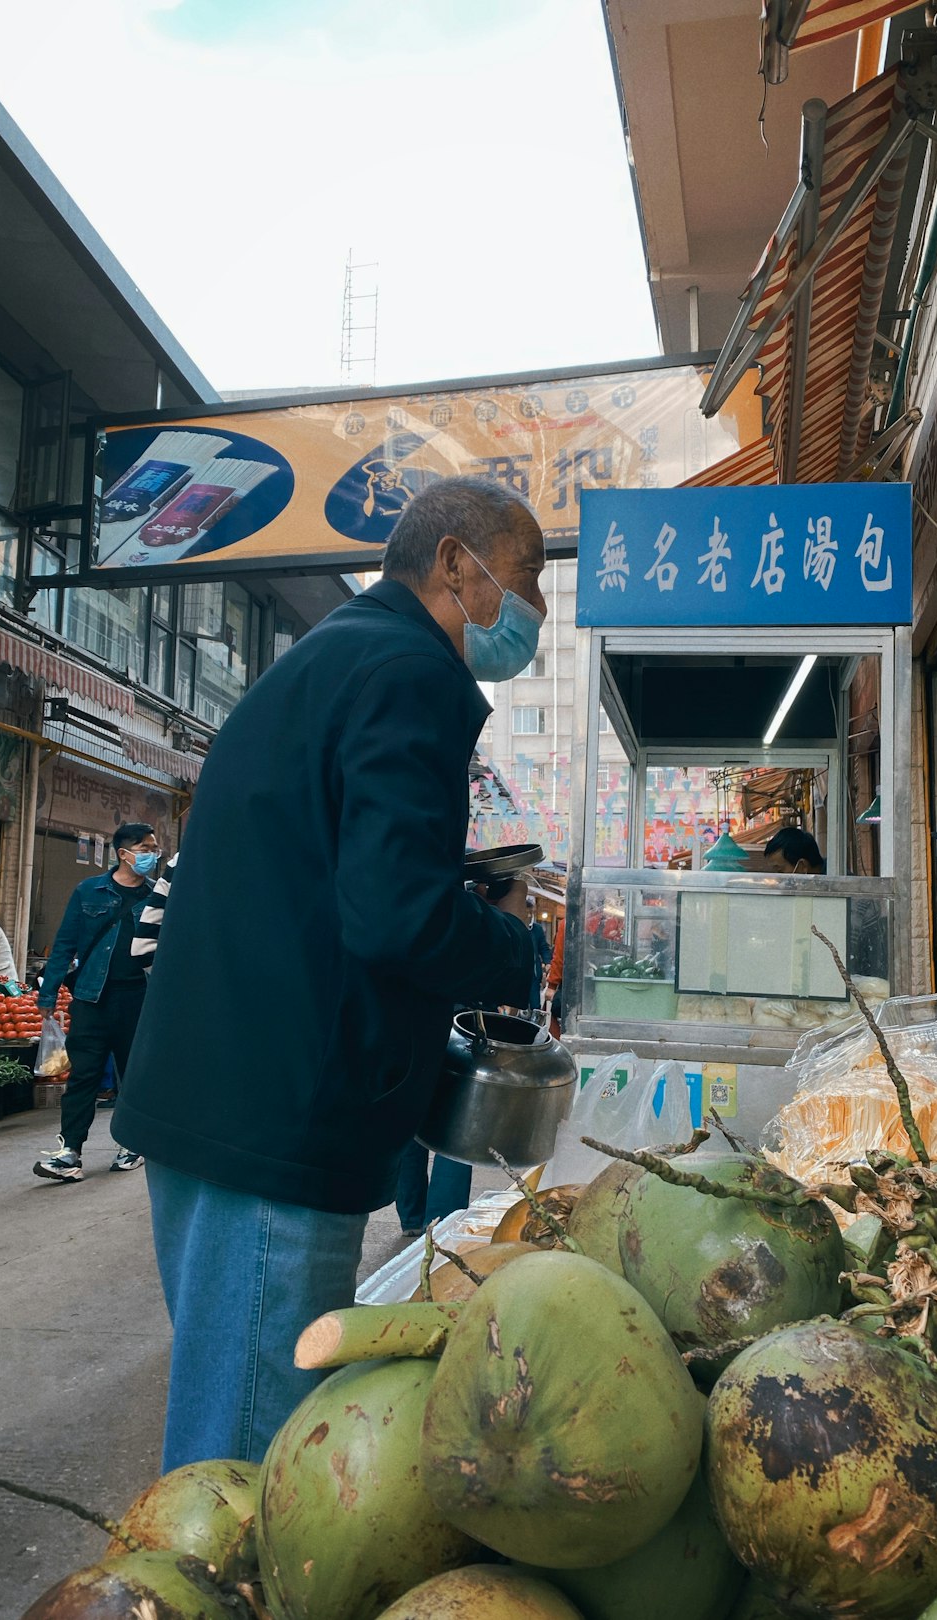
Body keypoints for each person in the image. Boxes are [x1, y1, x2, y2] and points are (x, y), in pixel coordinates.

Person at [114, 475, 543, 1469]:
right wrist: (517, 952)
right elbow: (395, 912)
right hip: (273, 1130)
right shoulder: (409, 673)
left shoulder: (333, 658)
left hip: (213, 1106)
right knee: (251, 1466)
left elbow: (333, 896)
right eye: (521, 584)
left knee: (228, 1413)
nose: (528, 617)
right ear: (453, 564)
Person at [32, 822, 160, 1183]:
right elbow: (64, 945)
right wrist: (47, 993)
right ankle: (70, 1152)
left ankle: (131, 1144)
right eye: (145, 847)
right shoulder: (90, 891)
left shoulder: (157, 897)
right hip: (90, 999)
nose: (152, 854)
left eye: (155, 848)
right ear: (124, 853)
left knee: (132, 1077)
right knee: (83, 1076)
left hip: (138, 999)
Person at [526, 896, 552, 1010]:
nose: (528, 915)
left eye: (530, 912)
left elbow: (543, 948)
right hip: (517, 971)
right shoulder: (516, 925)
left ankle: (534, 1025)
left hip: (534, 973)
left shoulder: (537, 929)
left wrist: (547, 962)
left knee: (535, 1004)